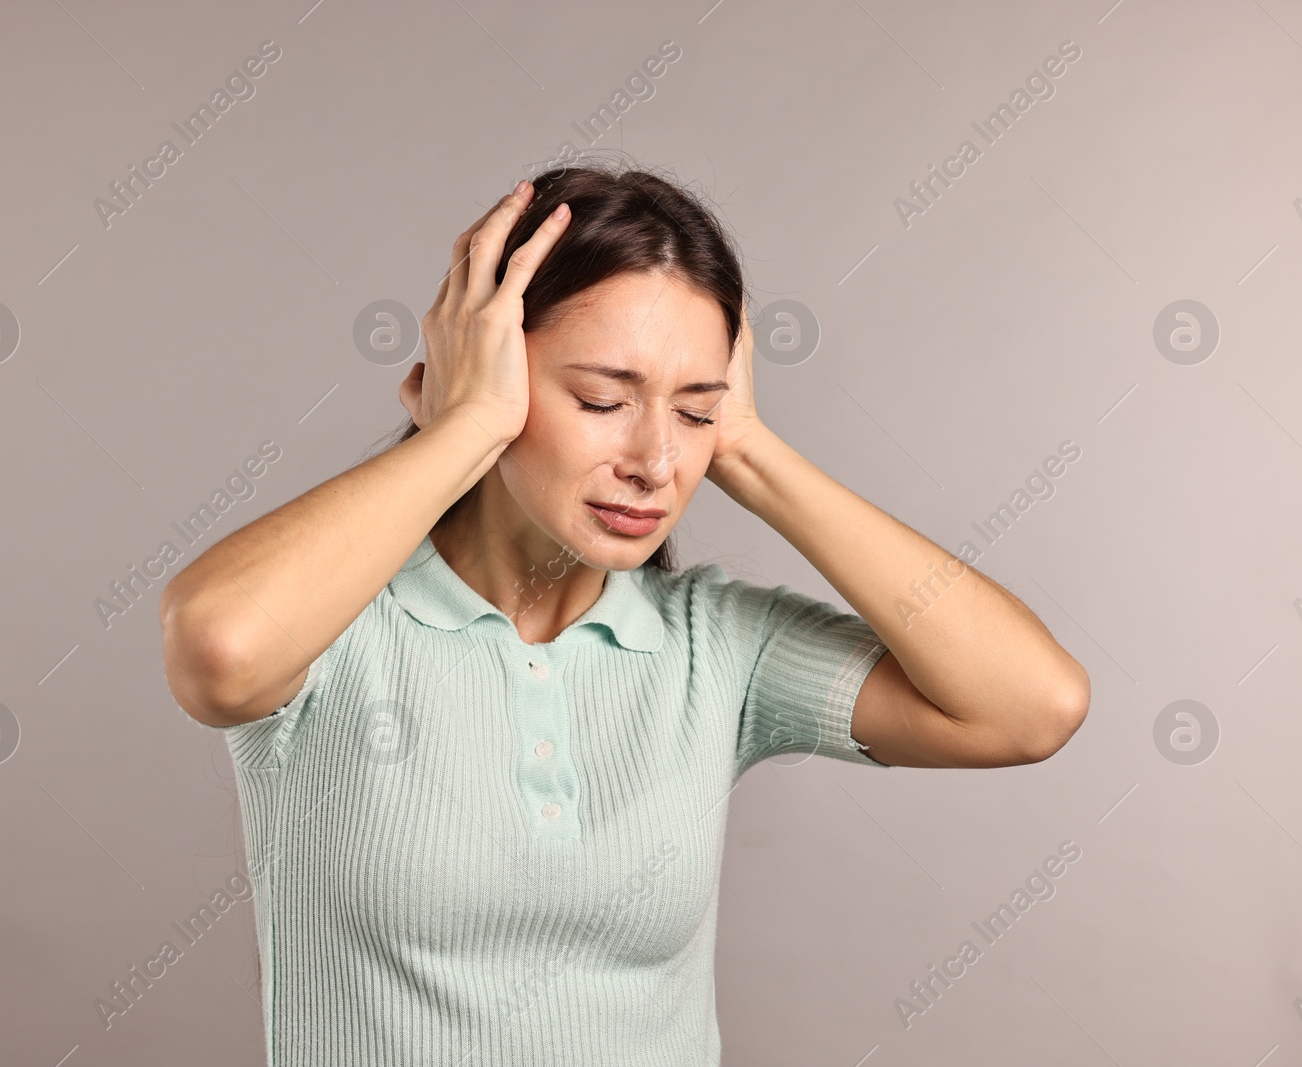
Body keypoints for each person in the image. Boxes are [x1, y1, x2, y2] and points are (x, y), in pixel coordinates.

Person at [159, 161, 1090, 1066]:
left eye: (694, 413)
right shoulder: (335, 627)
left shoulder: (714, 646)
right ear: (490, 371)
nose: (655, 459)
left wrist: (755, 453)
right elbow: (219, 647)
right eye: (603, 399)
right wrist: (465, 428)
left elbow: (1030, 705)